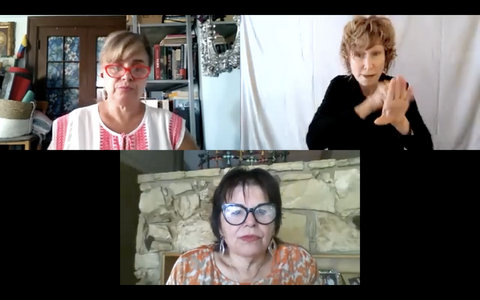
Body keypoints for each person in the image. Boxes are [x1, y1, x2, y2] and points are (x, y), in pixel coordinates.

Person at [166, 167, 320, 285]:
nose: (251, 222)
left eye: (262, 210)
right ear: (219, 224)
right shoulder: (188, 269)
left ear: (275, 223)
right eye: (236, 211)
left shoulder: (299, 263)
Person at [48, 30, 198, 150]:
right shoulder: (69, 126)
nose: (127, 77)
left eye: (138, 68)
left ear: (147, 75)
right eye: (116, 67)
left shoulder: (170, 126)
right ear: (102, 74)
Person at [306, 15, 433, 150]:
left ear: (386, 55)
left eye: (376, 53)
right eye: (359, 54)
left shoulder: (397, 89)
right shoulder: (338, 86)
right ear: (348, 57)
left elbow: (426, 147)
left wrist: (401, 122)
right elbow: (314, 142)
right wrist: (369, 105)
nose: (368, 65)